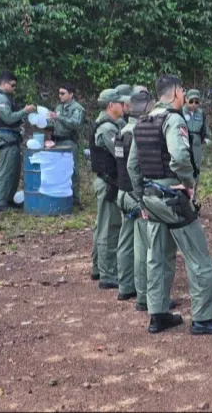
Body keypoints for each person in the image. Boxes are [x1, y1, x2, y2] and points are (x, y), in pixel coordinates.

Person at [127, 75, 212, 335]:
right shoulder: (173, 120)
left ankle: (158, 313)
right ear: (176, 92)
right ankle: (204, 317)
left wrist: (141, 196)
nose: (185, 95)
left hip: (151, 197)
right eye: (183, 90)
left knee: (158, 257)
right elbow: (179, 157)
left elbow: (133, 166)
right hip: (173, 197)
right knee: (198, 257)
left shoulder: (141, 122)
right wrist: (188, 184)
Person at [114, 91, 155, 305]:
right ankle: (144, 296)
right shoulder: (139, 132)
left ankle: (125, 286)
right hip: (134, 195)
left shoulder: (122, 131)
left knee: (125, 242)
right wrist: (141, 198)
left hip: (122, 192)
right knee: (143, 246)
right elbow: (135, 167)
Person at [89, 88, 127, 288]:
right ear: (111, 105)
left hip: (106, 182)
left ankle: (98, 268)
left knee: (102, 226)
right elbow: (120, 154)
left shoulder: (108, 124)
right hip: (108, 183)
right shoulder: (107, 129)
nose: (124, 106)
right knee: (109, 228)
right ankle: (108, 273)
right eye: (120, 103)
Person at [0, 71, 36, 213]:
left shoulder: (8, 98)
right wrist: (24, 111)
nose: (15, 88)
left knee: (14, 172)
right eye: (13, 85)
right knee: (5, 172)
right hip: (6, 137)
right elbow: (8, 118)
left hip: (13, 138)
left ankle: (9, 199)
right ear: (4, 83)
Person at [49, 83, 85, 207]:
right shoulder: (59, 107)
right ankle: (61, 197)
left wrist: (59, 118)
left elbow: (75, 123)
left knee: (72, 170)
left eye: (63, 93)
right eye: (59, 93)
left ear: (71, 94)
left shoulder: (77, 108)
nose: (60, 96)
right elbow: (55, 124)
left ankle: (75, 198)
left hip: (69, 141)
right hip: (57, 141)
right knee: (59, 170)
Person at [182, 88, 209, 194]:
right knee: (184, 166)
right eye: (191, 101)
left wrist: (205, 138)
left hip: (196, 143)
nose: (194, 104)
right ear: (186, 99)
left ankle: (194, 195)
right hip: (185, 141)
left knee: (196, 169)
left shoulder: (201, 113)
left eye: (196, 102)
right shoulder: (180, 111)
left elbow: (204, 129)